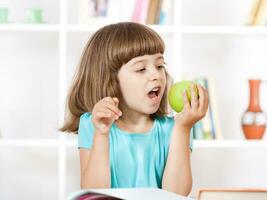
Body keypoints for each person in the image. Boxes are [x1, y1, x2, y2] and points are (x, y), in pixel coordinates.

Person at [60, 22, 209, 196]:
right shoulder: (92, 123)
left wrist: (183, 129)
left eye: (160, 66)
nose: (156, 75)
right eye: (141, 69)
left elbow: (175, 194)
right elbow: (95, 193)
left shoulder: (176, 128)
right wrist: (101, 134)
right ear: (110, 79)